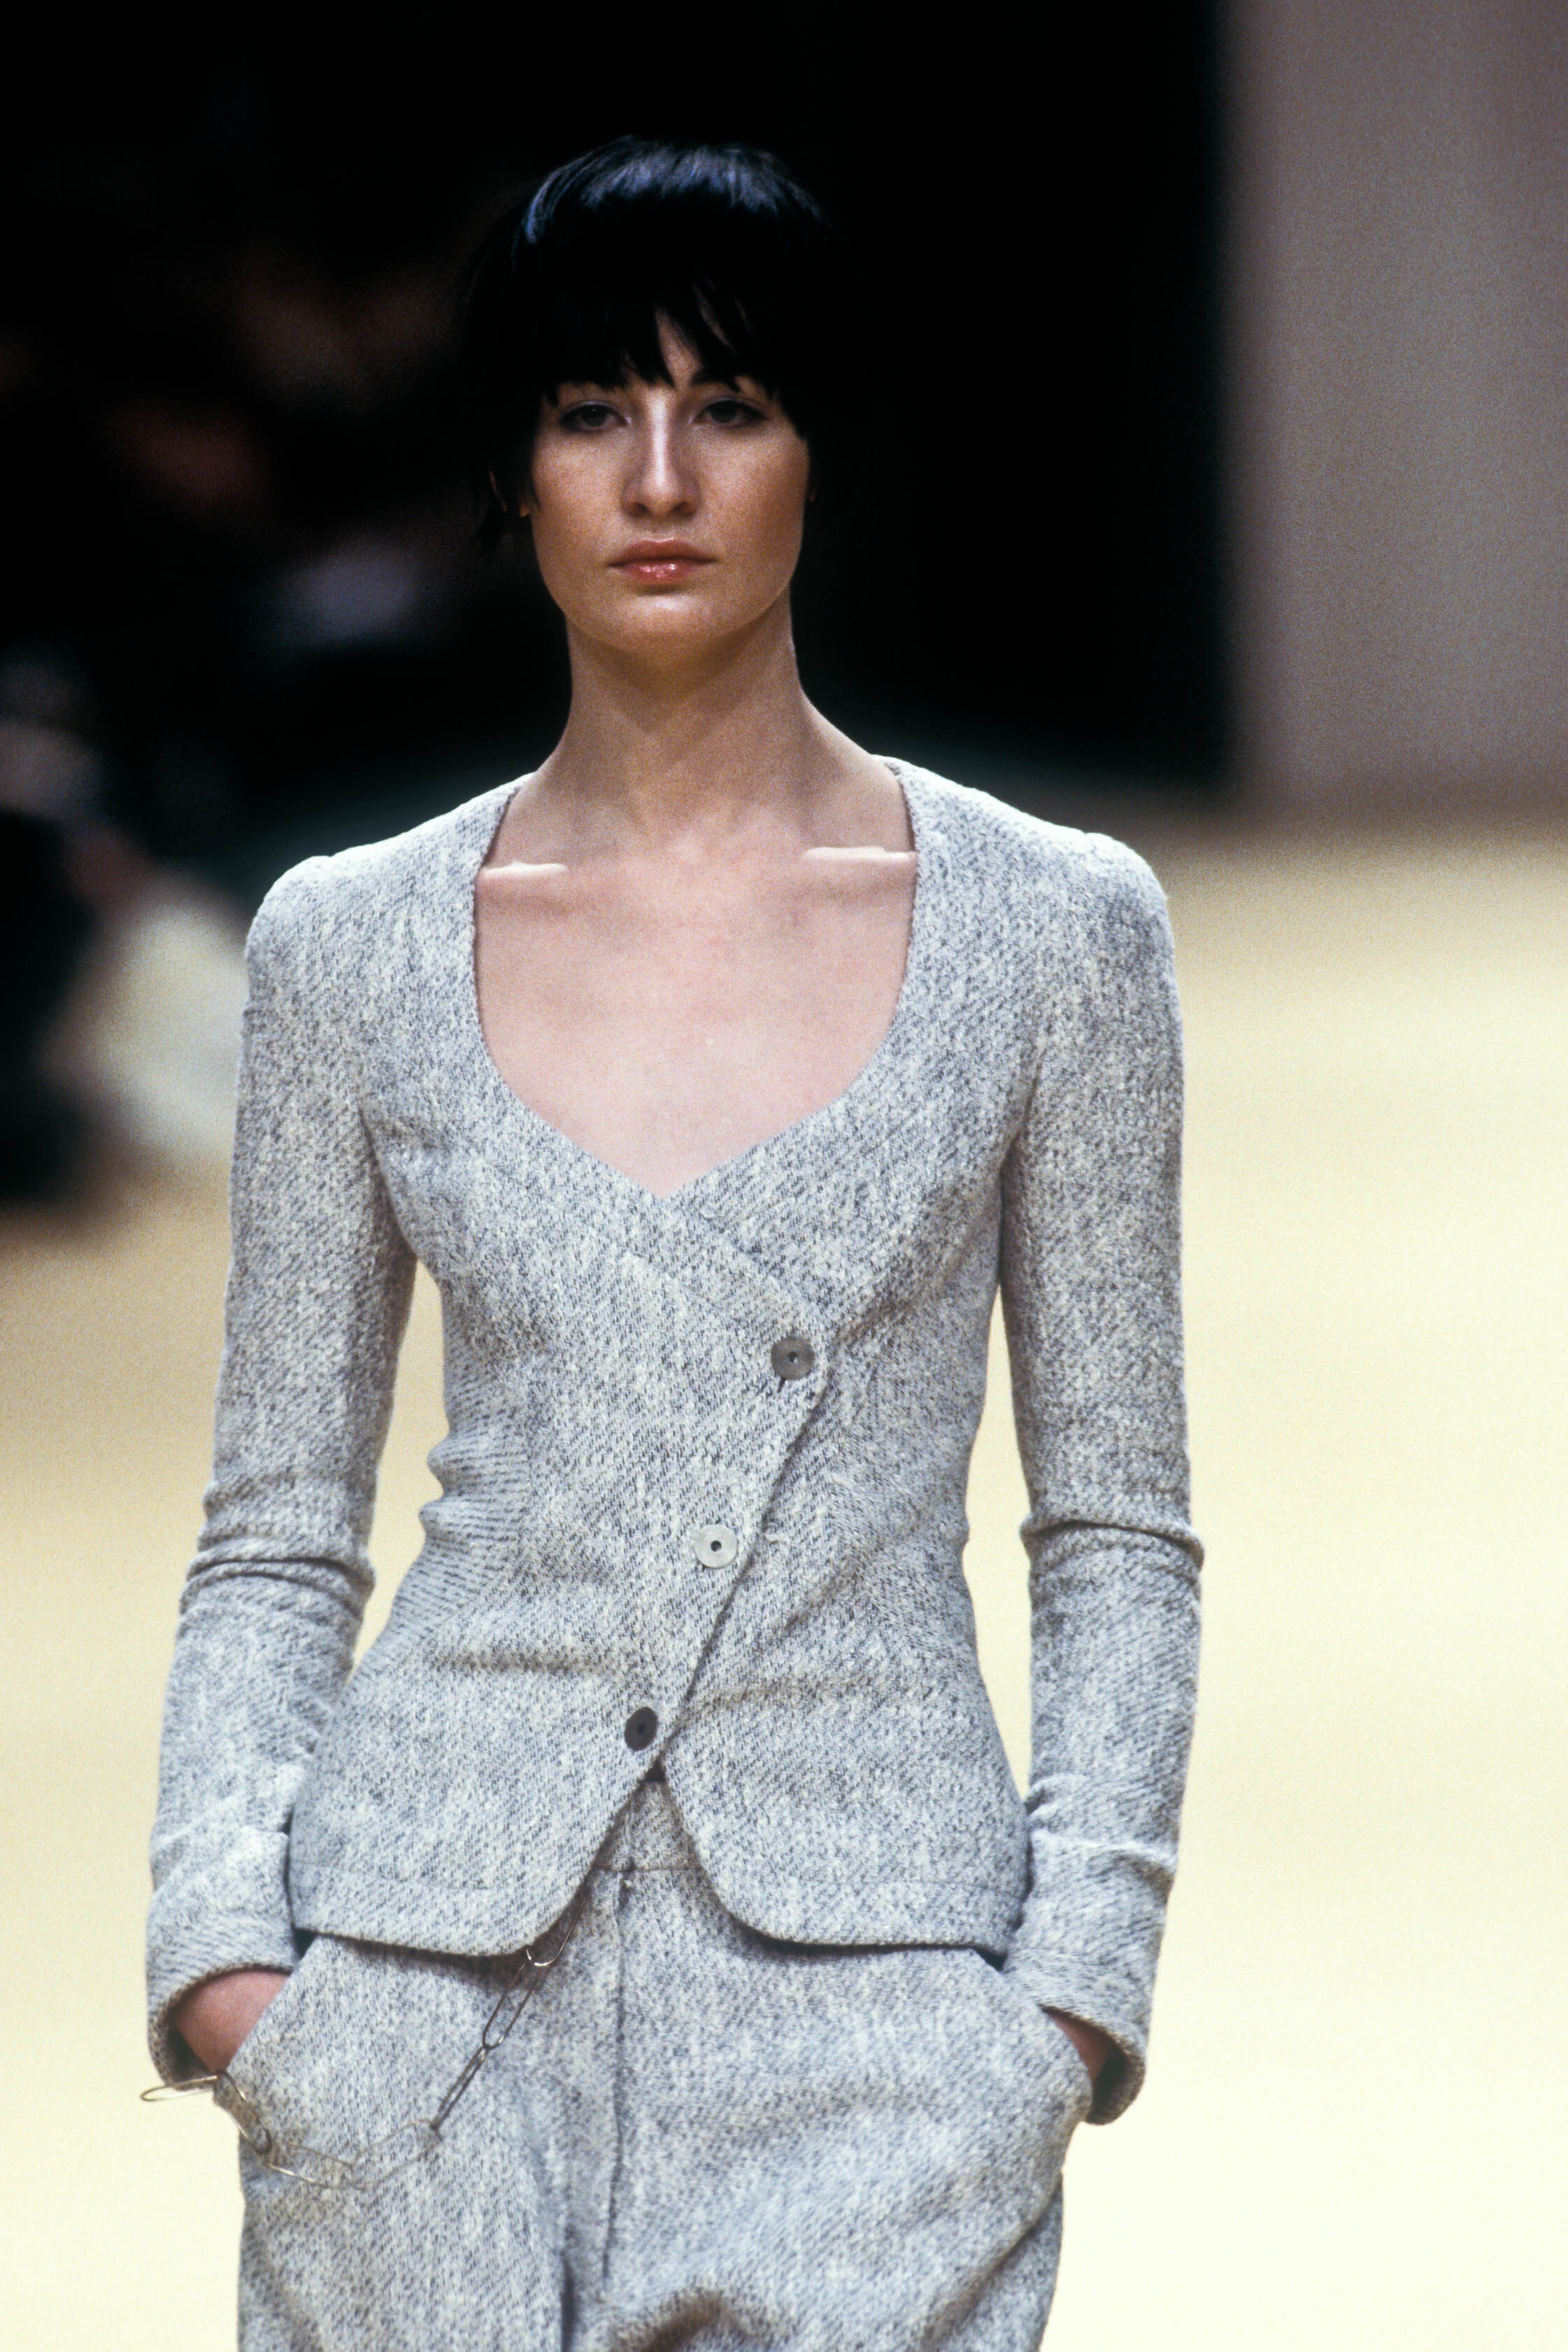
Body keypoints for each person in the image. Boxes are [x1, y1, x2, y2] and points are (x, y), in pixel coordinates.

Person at [145, 136, 1202, 2350]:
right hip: (418, 2004)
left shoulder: (1052, 934)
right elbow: (275, 1525)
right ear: (506, 471)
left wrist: (1064, 1995)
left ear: (820, 454)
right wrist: (235, 1961)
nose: (655, 477)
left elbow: (1111, 1520)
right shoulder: (349, 944)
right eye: (585, 410)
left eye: (727, 405)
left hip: (879, 2022)